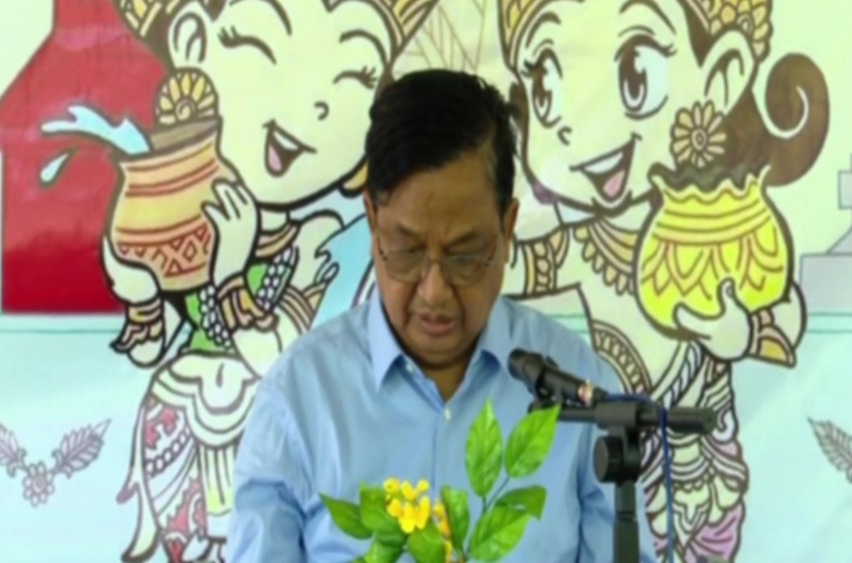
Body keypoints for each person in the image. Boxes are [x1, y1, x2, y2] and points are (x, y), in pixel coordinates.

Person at [227, 68, 656, 562]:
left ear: (507, 227)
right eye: (407, 251)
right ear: (372, 222)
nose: (434, 292)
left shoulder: (581, 395)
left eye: (464, 255)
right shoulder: (299, 402)